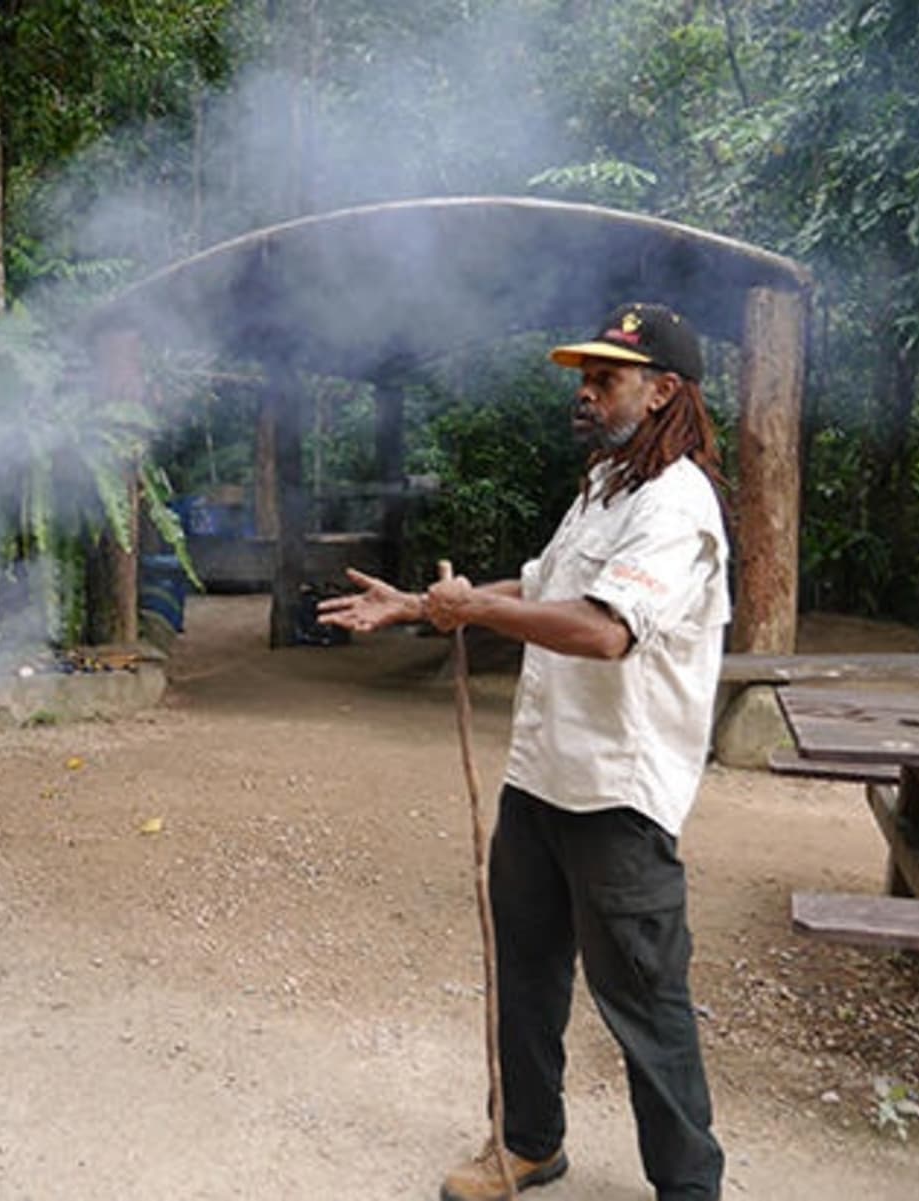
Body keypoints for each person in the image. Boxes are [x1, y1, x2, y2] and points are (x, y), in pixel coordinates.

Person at [319, 302, 728, 1200]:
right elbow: (541, 587)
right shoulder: (605, 487)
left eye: (606, 379)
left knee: (646, 1000)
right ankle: (529, 1143)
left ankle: (690, 1187)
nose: (584, 394)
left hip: (619, 791)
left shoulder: (677, 503)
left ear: (663, 391)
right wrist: (423, 607)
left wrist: (474, 611)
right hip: (544, 776)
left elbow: (603, 630)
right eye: (584, 379)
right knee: (526, 968)